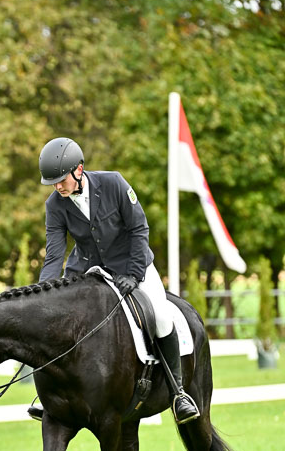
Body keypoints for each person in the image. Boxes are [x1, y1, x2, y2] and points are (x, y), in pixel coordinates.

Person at [32, 136, 199, 425]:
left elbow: (139, 229)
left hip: (132, 265)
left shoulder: (114, 184)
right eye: (53, 183)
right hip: (87, 271)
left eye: (61, 180)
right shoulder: (55, 205)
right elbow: (54, 254)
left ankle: (178, 392)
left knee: (161, 317)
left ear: (79, 170)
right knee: (60, 322)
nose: (58, 187)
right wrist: (43, 293)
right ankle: (52, 399)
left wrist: (133, 274)